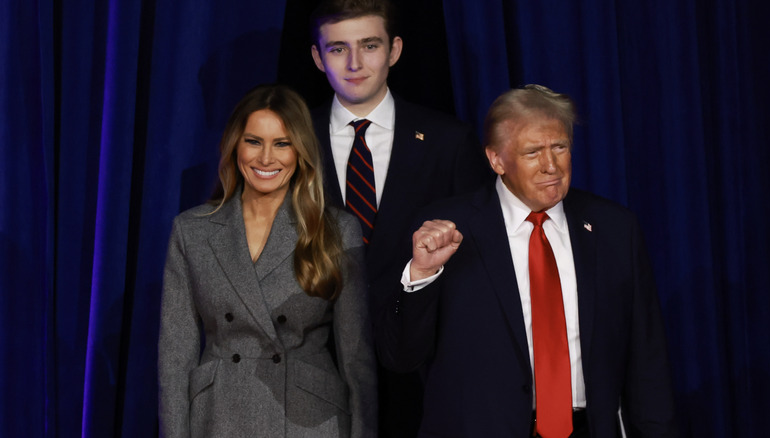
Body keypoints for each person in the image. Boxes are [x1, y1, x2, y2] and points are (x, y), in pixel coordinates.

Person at [377, 85, 678, 437]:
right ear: (496, 160)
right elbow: (400, 355)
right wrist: (423, 274)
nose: (551, 165)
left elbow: (647, 361)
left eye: (560, 147)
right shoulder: (447, 228)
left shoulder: (614, 229)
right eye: (533, 151)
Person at [308, 1, 492, 435]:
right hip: (314, 381)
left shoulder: (449, 141)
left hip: (424, 378)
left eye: (369, 45)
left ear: (394, 50)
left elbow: (479, 266)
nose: (354, 63)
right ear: (318, 58)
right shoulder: (288, 141)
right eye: (337, 49)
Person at [158, 84, 377, 438]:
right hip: (219, 416)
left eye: (282, 143)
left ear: (301, 151)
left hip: (310, 419)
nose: (265, 159)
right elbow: (174, 358)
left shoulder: (336, 230)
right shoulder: (191, 231)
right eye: (254, 141)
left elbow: (356, 359)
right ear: (234, 145)